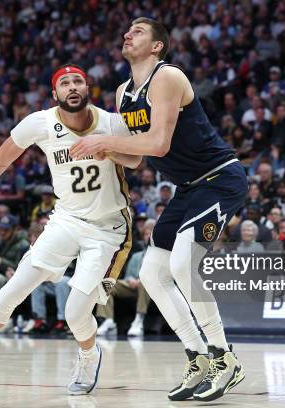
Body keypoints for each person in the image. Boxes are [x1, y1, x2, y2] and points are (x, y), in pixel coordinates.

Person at [0, 64, 140, 396]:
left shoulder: (111, 121)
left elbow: (137, 160)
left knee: (76, 313)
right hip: (66, 220)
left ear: (87, 87)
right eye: (65, 83)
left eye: (78, 80)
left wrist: (106, 148)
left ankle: (89, 354)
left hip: (109, 230)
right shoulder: (40, 123)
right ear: (55, 94)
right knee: (13, 289)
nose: (72, 86)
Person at [71, 18, 247, 401]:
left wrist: (104, 138)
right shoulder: (122, 92)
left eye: (138, 31)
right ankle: (197, 357)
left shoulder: (168, 77)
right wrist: (105, 149)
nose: (127, 34)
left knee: (183, 264)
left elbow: (160, 144)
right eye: (127, 30)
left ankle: (224, 356)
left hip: (219, 178)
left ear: (156, 46)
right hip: (188, 189)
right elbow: (136, 160)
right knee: (152, 273)